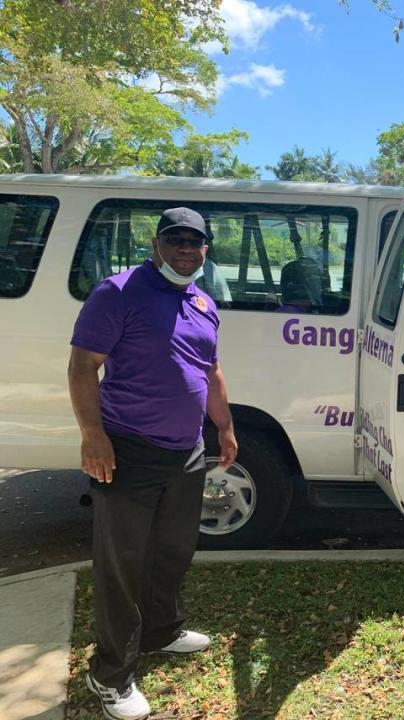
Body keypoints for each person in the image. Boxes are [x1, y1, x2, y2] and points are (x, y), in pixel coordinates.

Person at [68, 207, 238, 720]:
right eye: (175, 239)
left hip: (185, 452)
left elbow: (209, 370)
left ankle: (162, 631)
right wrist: (93, 436)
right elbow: (82, 365)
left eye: (195, 241)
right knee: (121, 566)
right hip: (128, 450)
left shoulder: (204, 301)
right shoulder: (118, 292)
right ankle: (110, 675)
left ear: (206, 248)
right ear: (156, 242)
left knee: (172, 550)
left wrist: (225, 427)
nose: (186, 248)